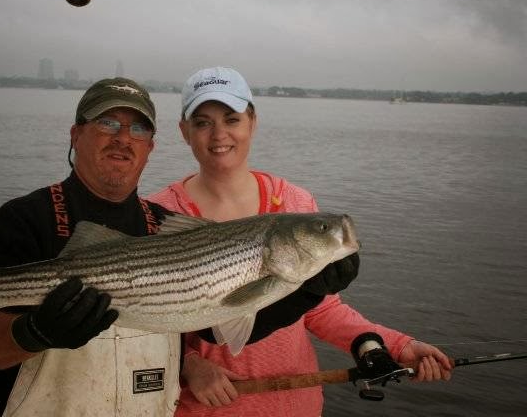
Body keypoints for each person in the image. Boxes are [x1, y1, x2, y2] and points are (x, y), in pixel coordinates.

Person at [147, 67, 453, 417]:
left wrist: (397, 345)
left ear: (252, 122)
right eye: (202, 122)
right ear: (184, 131)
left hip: (294, 405)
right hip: (204, 409)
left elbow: (321, 307)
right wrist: (188, 365)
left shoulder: (294, 202)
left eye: (231, 119)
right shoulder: (158, 211)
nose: (219, 134)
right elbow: (142, 314)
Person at [0, 78, 181, 417]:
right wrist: (34, 333)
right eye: (107, 123)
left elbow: (209, 324)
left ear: (150, 148)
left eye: (138, 129)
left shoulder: (169, 229)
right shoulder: (24, 218)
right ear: (76, 135)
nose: (122, 138)